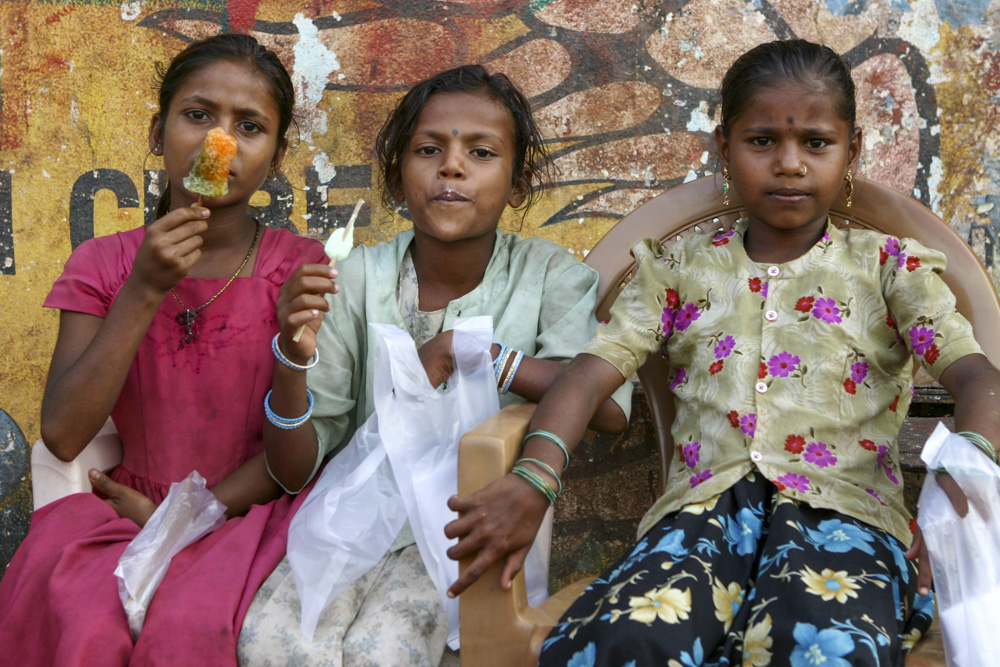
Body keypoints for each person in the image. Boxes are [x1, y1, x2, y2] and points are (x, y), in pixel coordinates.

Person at [447, 40, 1000, 666]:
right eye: (762, 140)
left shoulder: (887, 269)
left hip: (847, 523)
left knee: (820, 647)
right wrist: (533, 477)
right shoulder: (679, 270)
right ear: (724, 149)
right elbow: (588, 376)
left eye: (816, 142)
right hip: (696, 525)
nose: (789, 163)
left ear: (854, 150)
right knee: (631, 641)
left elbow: (980, 379)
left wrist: (964, 481)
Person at [236, 64, 631, 666]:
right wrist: (291, 357)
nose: (452, 167)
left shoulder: (552, 277)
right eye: (429, 150)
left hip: (467, 530)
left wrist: (470, 353)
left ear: (517, 185)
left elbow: (603, 405)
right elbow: (295, 471)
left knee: (379, 654)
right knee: (272, 644)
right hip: (353, 521)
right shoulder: (360, 280)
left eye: (481, 152)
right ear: (398, 179)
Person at [0, 34, 328, 665]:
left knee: (193, 629)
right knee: (84, 628)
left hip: (251, 519)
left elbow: (294, 461)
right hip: (118, 515)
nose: (218, 144)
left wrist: (183, 519)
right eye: (197, 115)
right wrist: (144, 289)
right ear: (158, 131)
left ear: (276, 156)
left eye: (249, 127)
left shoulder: (299, 270)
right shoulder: (104, 262)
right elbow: (65, 436)